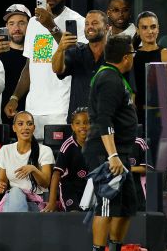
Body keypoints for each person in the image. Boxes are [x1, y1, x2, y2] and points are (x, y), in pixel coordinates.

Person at [4, 0, 87, 139]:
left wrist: (51, 26)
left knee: (59, 159)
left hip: (61, 108)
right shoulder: (34, 23)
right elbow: (30, 65)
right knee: (36, 159)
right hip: (33, 109)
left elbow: (78, 57)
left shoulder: (77, 20)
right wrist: (15, 97)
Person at [82, 35, 138, 251]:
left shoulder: (113, 77)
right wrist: (112, 156)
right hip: (105, 152)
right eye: (132, 54)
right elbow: (104, 118)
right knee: (106, 206)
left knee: (126, 207)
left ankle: (115, 247)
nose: (133, 57)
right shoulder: (109, 79)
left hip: (118, 151)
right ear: (126, 57)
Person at [132, 11, 167, 164]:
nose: (149, 31)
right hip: (138, 117)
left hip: (160, 117)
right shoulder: (131, 56)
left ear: (158, 28)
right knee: (140, 163)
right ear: (138, 31)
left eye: (153, 27)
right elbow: (130, 90)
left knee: (161, 164)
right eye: (144, 28)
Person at [52, 10, 109, 123]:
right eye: (87, 24)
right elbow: (57, 69)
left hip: (107, 121)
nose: (90, 27)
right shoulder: (76, 52)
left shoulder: (115, 55)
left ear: (107, 28)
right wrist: (61, 48)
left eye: (95, 23)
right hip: (78, 124)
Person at [0, 111, 54, 212]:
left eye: (29, 124)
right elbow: (2, 180)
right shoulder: (5, 150)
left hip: (37, 201)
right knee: (15, 192)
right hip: (14, 199)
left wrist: (33, 169)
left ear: (34, 128)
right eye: (20, 124)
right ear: (14, 128)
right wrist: (0, 185)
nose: (25, 127)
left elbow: (45, 183)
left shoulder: (45, 150)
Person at [0, 4, 30, 124]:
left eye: (21, 23)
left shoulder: (35, 53)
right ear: (6, 27)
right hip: (0, 119)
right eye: (11, 24)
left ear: (30, 25)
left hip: (31, 116)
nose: (16, 28)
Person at [43, 107, 90, 212]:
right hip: (69, 188)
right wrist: (51, 202)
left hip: (89, 187)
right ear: (72, 126)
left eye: (86, 122)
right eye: (78, 123)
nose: (82, 126)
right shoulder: (68, 146)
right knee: (74, 213)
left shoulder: (97, 143)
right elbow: (56, 175)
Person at [129, 137, 151, 211]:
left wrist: (127, 169)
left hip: (136, 188)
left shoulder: (139, 142)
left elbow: (147, 168)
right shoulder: (111, 142)